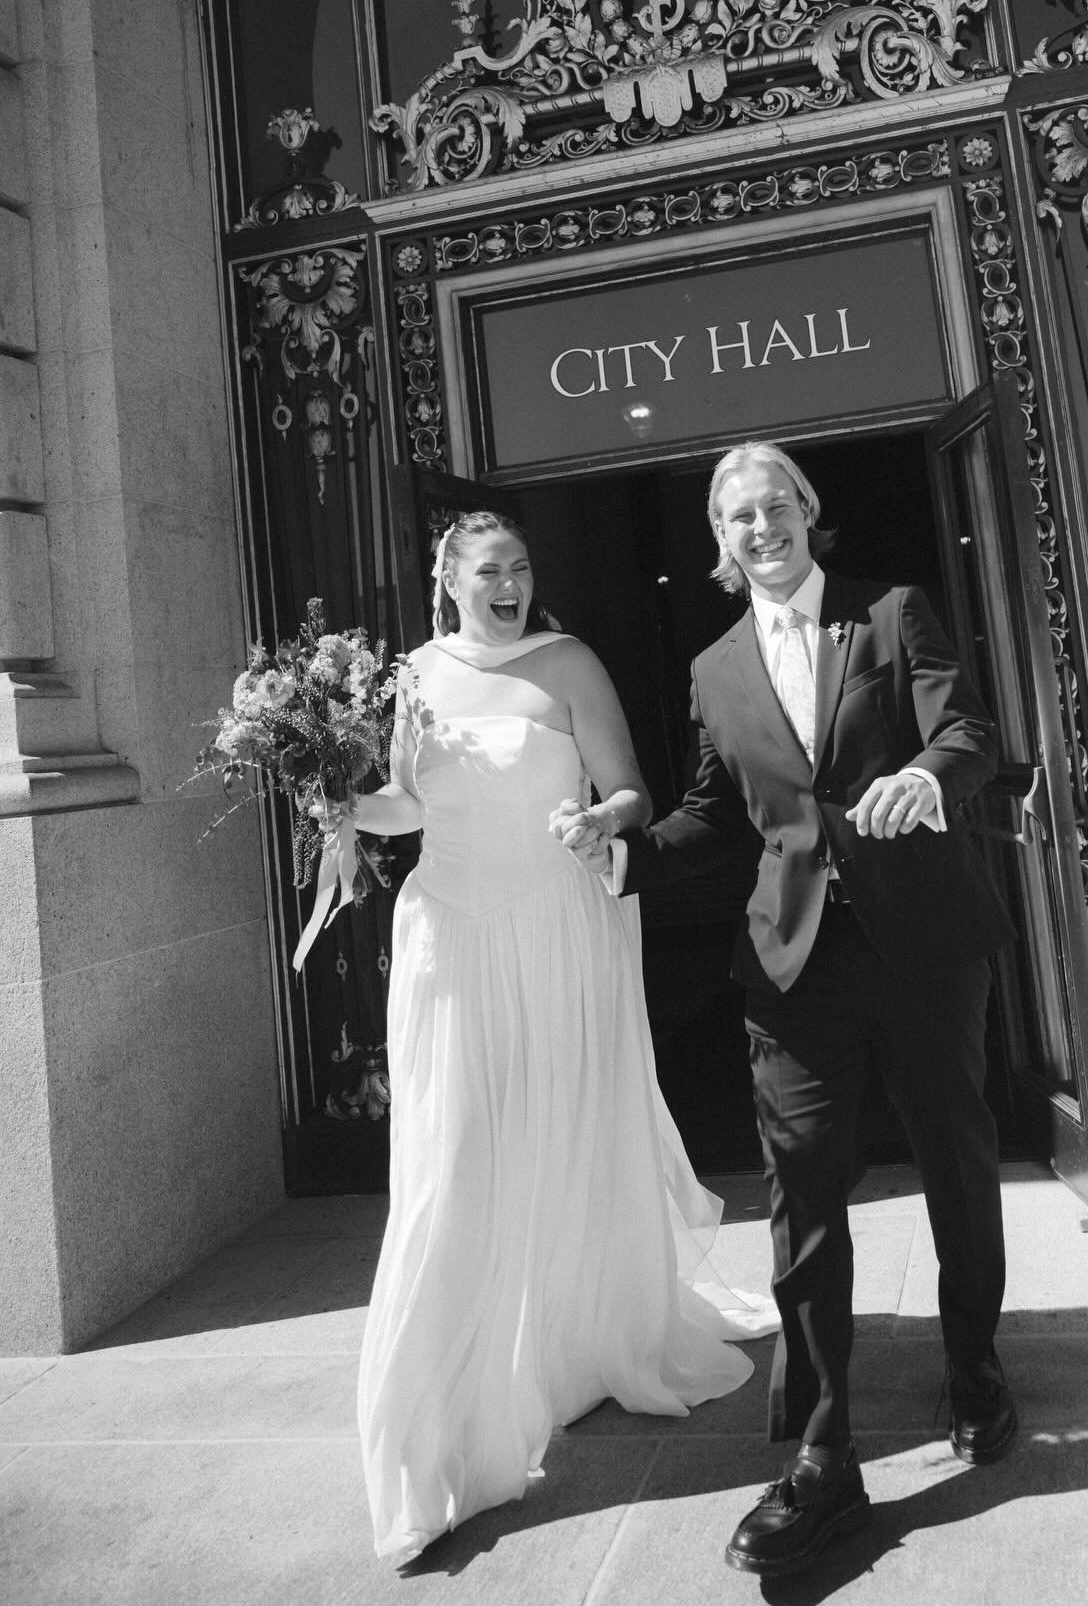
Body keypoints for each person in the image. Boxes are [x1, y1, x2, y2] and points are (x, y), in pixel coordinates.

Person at [555, 442, 1018, 1580]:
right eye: (738, 517)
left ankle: (974, 1366)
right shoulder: (715, 668)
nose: (760, 528)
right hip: (792, 966)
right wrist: (622, 851)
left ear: (808, 513)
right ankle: (821, 1455)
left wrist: (926, 778)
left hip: (923, 947)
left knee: (957, 1164)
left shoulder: (893, 612)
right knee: (802, 1202)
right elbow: (720, 814)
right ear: (720, 540)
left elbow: (968, 733)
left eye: (775, 507)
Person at [347, 510, 776, 1565]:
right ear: (449, 580)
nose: (510, 585)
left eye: (522, 568)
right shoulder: (411, 676)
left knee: (567, 1138)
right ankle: (439, 1447)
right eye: (490, 570)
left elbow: (630, 790)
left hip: (556, 929)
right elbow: (405, 807)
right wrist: (338, 800)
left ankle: (577, 1343)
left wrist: (602, 820)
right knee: (453, 1164)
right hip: (450, 939)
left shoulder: (570, 661)